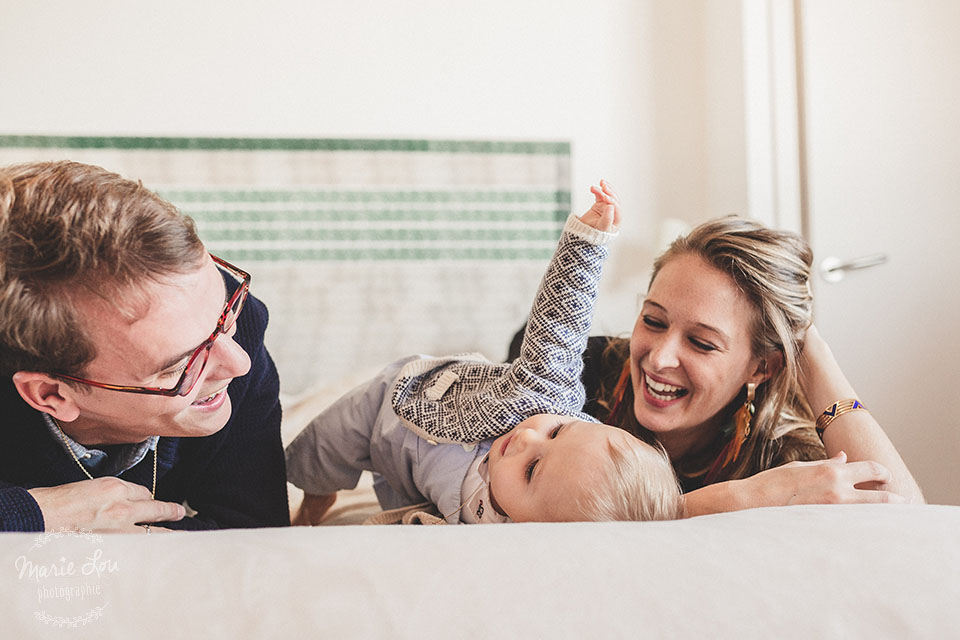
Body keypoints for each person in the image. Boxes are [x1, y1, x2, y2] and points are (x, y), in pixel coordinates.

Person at [286, 182, 682, 524]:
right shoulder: (546, 397)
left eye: (532, 469)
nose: (528, 438)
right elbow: (560, 323)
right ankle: (316, 496)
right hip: (402, 399)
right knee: (324, 450)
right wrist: (587, 243)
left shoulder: (495, 537)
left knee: (394, 485)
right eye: (557, 431)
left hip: (409, 475)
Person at [525, 215, 925, 514]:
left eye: (701, 343)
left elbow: (908, 524)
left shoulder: (780, 456)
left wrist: (817, 359)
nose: (660, 357)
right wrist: (733, 500)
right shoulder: (578, 372)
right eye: (653, 320)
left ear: (761, 368)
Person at [0, 160, 289, 532]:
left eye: (225, 316)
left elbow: (253, 533)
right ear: (52, 395)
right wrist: (35, 513)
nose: (239, 364)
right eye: (180, 366)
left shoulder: (237, 323)